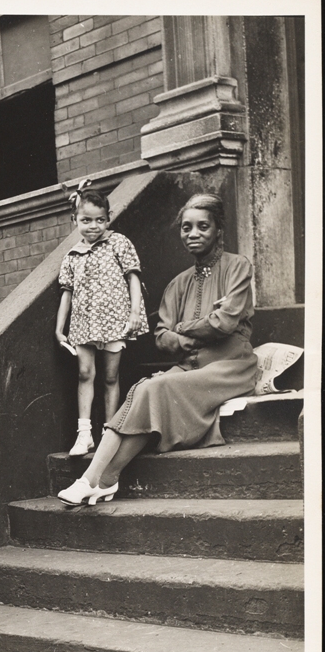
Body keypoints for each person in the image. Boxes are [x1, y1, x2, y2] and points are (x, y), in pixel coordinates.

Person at [58, 193, 259, 506]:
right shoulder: (177, 283)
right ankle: (99, 480)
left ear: (218, 229)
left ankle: (97, 478)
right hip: (189, 368)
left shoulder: (238, 267)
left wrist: (183, 328)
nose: (193, 234)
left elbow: (224, 323)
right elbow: (162, 338)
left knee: (158, 385)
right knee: (143, 389)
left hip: (230, 366)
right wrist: (196, 328)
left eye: (202, 226)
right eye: (186, 228)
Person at [55, 184, 149, 456]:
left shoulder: (118, 243)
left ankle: (110, 432)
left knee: (110, 376)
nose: (93, 226)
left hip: (113, 321)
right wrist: (60, 328)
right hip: (84, 323)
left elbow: (133, 277)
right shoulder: (72, 255)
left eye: (99, 220)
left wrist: (134, 312)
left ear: (108, 218)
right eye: (86, 220)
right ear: (75, 221)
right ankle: (84, 434)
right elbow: (67, 293)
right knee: (85, 374)